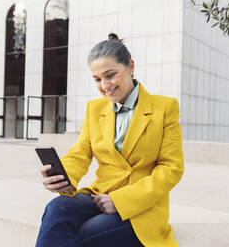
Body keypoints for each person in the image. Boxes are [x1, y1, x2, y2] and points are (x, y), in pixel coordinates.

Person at [35, 33, 184, 247]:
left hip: (140, 207)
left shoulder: (164, 108)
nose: (104, 85)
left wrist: (121, 200)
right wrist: (62, 175)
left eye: (110, 75)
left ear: (131, 66)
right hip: (99, 194)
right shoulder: (94, 109)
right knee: (56, 208)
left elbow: (172, 168)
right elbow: (80, 152)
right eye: (97, 79)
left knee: (76, 238)